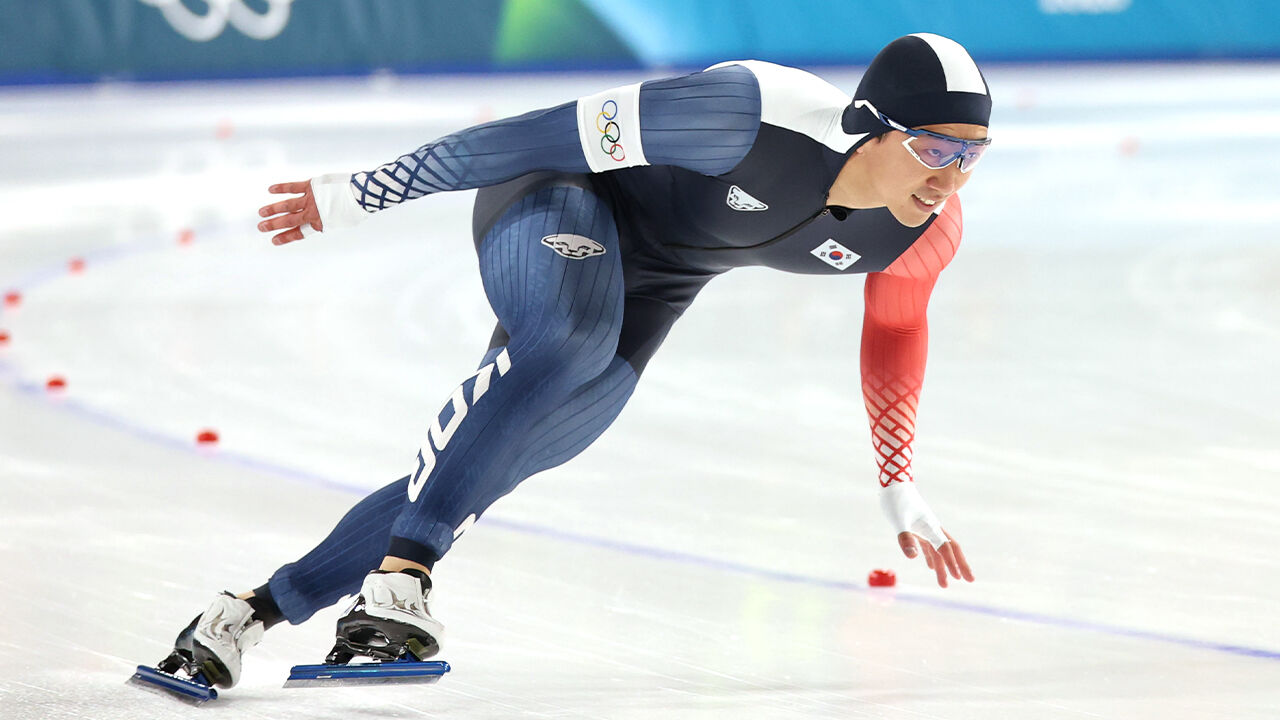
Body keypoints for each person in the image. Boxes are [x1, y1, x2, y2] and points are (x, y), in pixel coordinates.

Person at [158, 32, 990, 690]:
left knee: (523, 447)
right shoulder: (746, 111)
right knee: (569, 339)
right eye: (932, 148)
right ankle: (402, 580)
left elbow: (896, 331)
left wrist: (897, 478)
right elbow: (528, 135)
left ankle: (248, 614)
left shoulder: (923, 233)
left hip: (661, 278)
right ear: (870, 124)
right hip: (557, 190)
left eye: (971, 154)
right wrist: (359, 193)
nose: (949, 178)